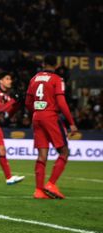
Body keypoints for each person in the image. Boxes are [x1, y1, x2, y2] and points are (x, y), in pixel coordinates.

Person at [25, 55, 78, 199]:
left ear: (43, 64)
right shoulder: (57, 79)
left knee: (42, 155)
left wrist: (36, 111)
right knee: (64, 151)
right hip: (51, 117)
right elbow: (61, 103)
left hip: (37, 117)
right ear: (56, 65)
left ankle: (39, 190)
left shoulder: (34, 78)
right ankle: (51, 184)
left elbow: (28, 103)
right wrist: (71, 123)